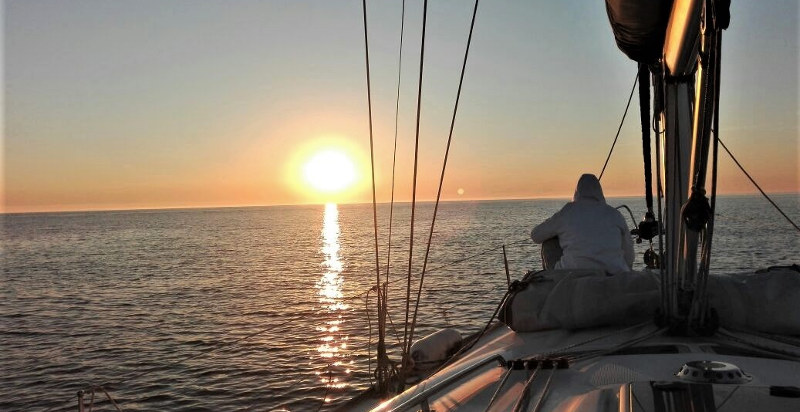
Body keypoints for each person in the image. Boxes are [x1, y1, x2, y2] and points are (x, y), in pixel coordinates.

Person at [531, 173, 634, 273]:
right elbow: (629, 254)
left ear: (577, 192)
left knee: (549, 241)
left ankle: (552, 279)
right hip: (615, 271)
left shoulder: (568, 211)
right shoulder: (614, 214)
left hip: (570, 272)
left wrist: (556, 230)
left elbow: (535, 235)